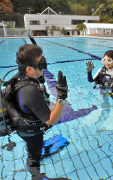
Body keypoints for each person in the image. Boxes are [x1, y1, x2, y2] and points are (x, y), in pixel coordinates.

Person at [8, 44, 68, 179]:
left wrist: (39, 71)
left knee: (36, 145)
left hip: (23, 121)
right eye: (41, 63)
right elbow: (51, 120)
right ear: (29, 69)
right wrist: (62, 96)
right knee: (34, 155)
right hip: (30, 132)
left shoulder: (22, 75)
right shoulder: (30, 90)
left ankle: (38, 149)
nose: (44, 65)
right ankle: (36, 175)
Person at [84, 48, 113, 130]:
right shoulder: (101, 70)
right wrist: (89, 72)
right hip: (103, 90)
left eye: (109, 60)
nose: (106, 63)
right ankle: (103, 110)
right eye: (104, 60)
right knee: (105, 102)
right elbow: (91, 80)